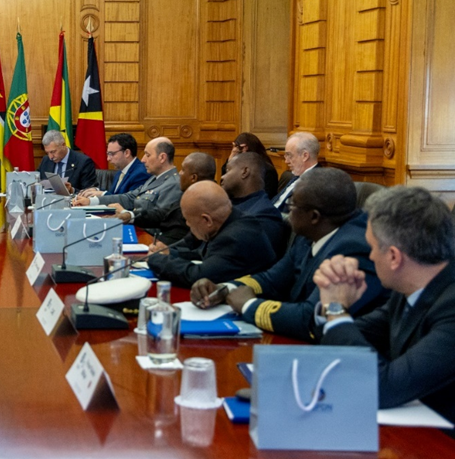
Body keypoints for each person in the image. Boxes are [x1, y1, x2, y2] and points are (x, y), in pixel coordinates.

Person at [192, 168, 387, 341]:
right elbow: (272, 280)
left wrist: (249, 305)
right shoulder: (314, 232)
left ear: (314, 216)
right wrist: (224, 288)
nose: (287, 211)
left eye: (292, 205)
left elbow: (311, 317)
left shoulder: (354, 249)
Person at [312, 186, 455, 421]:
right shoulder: (408, 287)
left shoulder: (450, 306)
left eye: (372, 247)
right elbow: (354, 335)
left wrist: (337, 310)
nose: (370, 257)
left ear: (394, 257)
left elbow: (382, 387)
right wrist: (332, 310)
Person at [146, 181, 276, 288]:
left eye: (188, 220)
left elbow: (197, 277)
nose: (187, 224)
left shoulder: (234, 238)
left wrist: (156, 260)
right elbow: (206, 256)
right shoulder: (232, 220)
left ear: (207, 220)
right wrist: (170, 253)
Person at [116, 152, 215, 245]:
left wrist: (167, 251)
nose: (179, 173)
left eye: (183, 170)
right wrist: (130, 215)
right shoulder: (192, 194)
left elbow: (190, 242)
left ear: (193, 178)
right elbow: (162, 214)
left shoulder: (206, 201)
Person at [74, 137, 180, 213]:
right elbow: (129, 198)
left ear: (162, 158)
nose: (143, 160)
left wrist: (128, 215)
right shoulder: (153, 179)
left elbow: (159, 218)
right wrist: (90, 201)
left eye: (147, 155)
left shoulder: (174, 184)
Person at [220, 152, 286, 256]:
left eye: (228, 170)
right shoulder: (227, 204)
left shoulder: (263, 214)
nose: (222, 177)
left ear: (245, 172)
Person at [78, 133, 149, 198]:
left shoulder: (141, 173)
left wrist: (102, 194)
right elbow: (114, 194)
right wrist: (96, 190)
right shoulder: (120, 172)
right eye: (108, 154)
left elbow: (130, 200)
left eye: (112, 154)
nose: (108, 159)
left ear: (127, 153)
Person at [220, 132, 279, 198]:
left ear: (245, 148)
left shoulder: (268, 170)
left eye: (237, 148)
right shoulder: (238, 166)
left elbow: (268, 196)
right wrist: (230, 160)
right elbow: (226, 188)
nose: (234, 151)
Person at [273, 131, 319, 212]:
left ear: (305, 156)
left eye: (289, 155)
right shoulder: (295, 176)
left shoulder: (316, 183)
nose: (286, 161)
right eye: (286, 155)